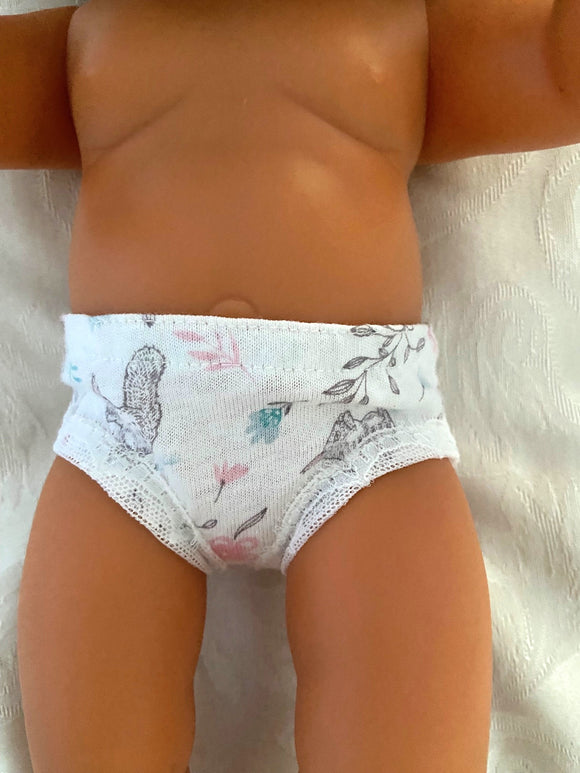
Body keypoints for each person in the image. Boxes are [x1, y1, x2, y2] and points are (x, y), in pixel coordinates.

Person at [5, 1, 578, 771]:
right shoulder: (95, 35)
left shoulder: (396, 28)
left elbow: (552, 66)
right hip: (129, 439)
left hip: (357, 433)